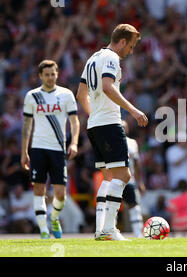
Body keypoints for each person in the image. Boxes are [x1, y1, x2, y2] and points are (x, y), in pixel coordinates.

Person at [76, 24, 148, 241]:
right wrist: (133, 110)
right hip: (109, 124)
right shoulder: (111, 58)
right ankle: (108, 229)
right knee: (124, 176)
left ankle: (101, 230)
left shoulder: (92, 58)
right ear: (123, 41)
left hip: (96, 125)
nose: (131, 51)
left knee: (108, 178)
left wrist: (94, 115)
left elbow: (81, 94)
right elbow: (108, 86)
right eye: (131, 46)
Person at [21, 60, 80, 239]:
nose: (50, 77)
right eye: (46, 74)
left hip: (57, 149)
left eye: (52, 74)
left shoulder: (66, 94)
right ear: (40, 76)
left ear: (57, 73)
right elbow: (27, 125)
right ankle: (44, 230)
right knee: (39, 189)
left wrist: (74, 142)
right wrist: (24, 151)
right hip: (38, 148)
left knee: (60, 194)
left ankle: (53, 218)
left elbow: (74, 121)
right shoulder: (32, 96)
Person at [121, 120, 146, 238]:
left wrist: (140, 182)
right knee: (112, 206)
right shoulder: (111, 141)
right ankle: (108, 232)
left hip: (129, 180)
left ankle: (138, 233)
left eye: (124, 127)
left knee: (134, 206)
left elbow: (137, 164)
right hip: (115, 179)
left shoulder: (132, 143)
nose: (123, 129)